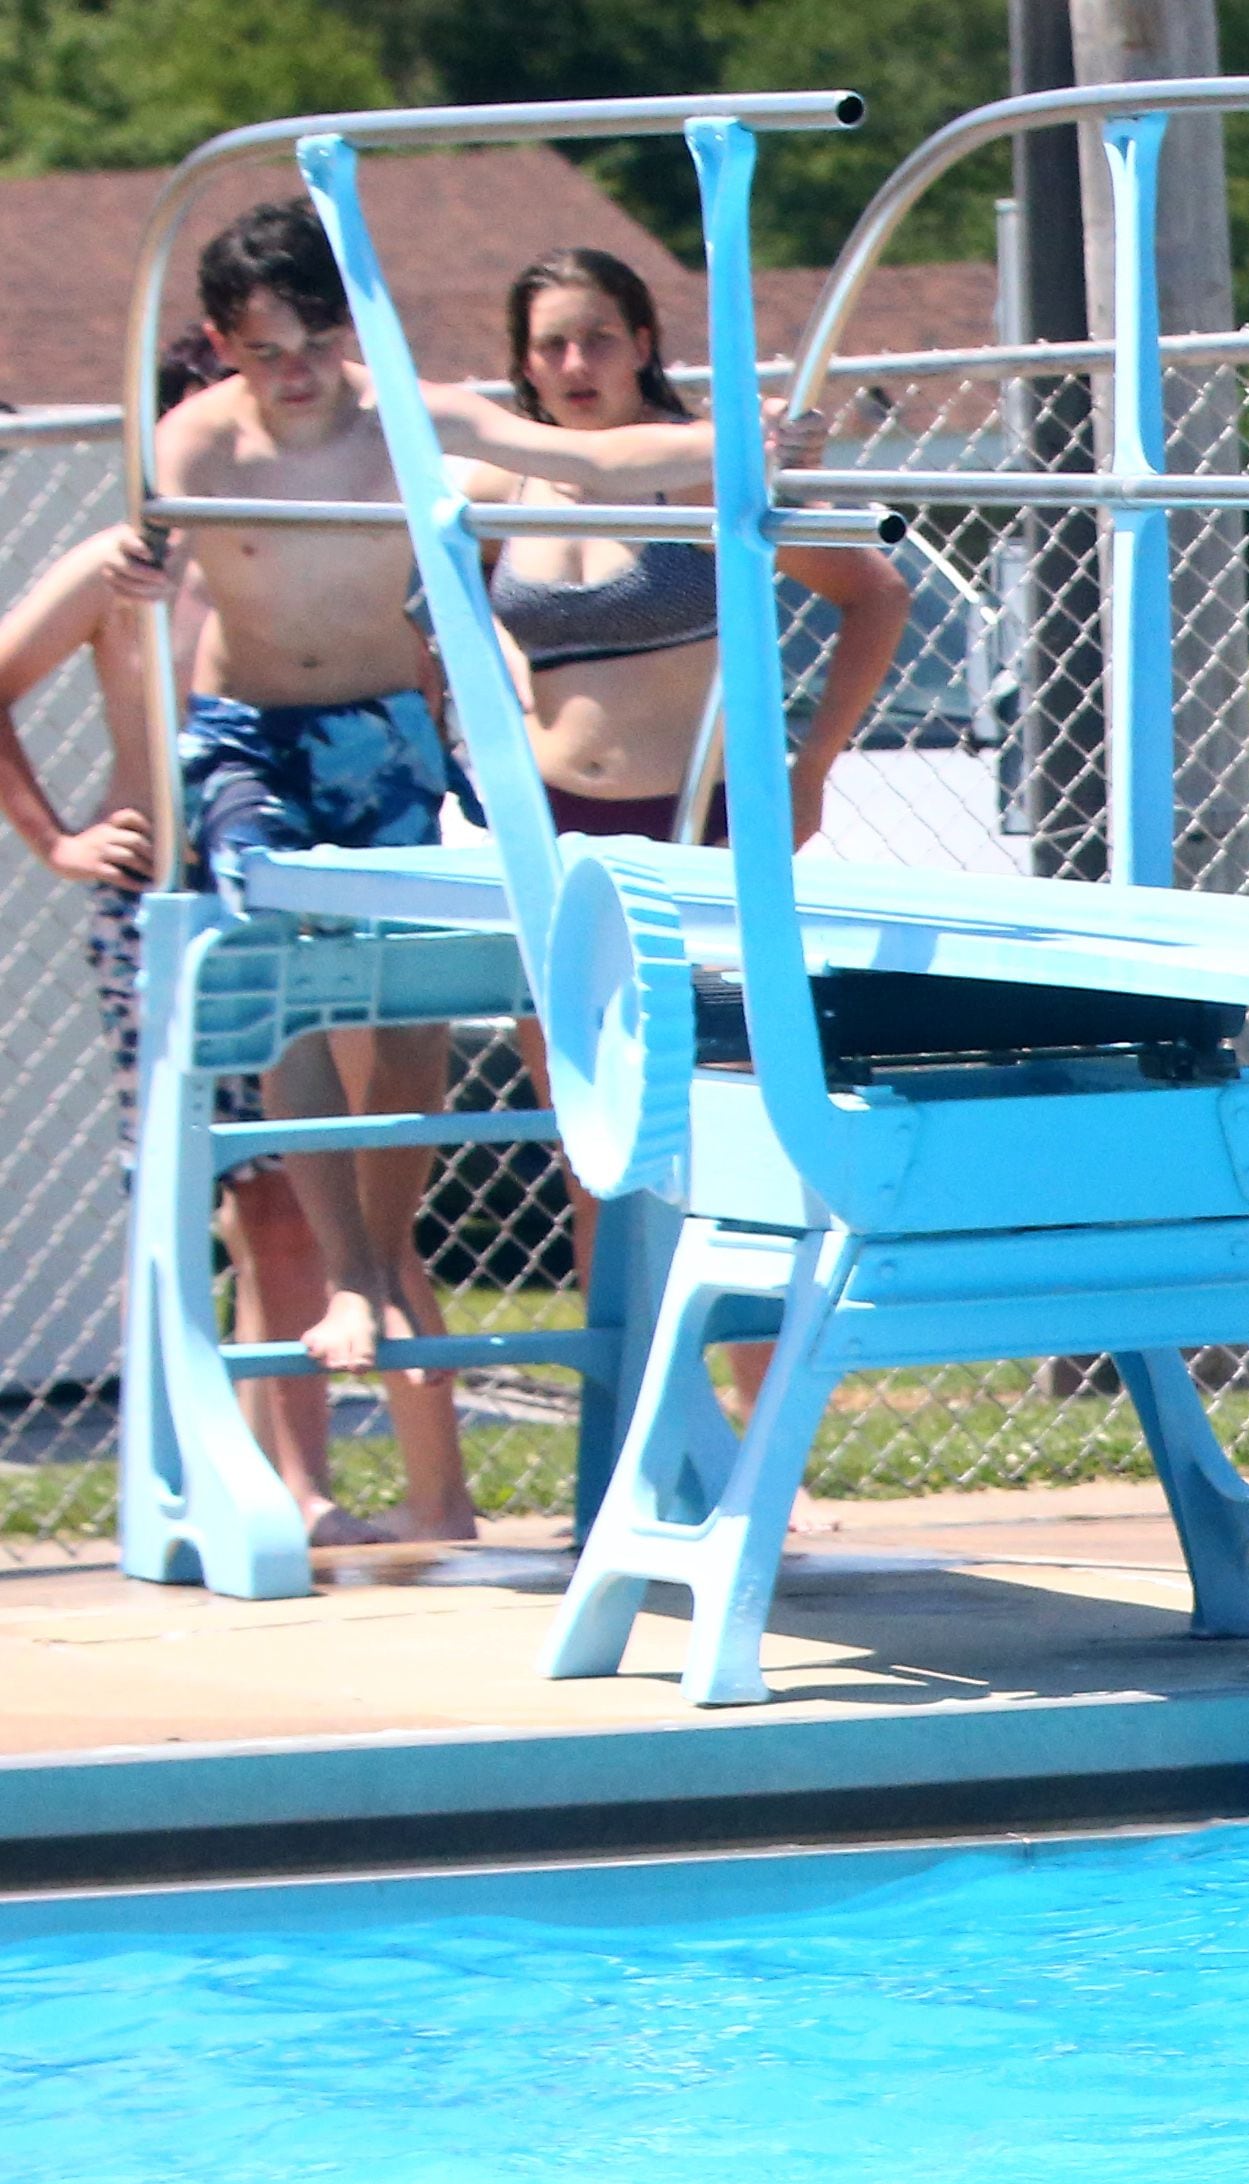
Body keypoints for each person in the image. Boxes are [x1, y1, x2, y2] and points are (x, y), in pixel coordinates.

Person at [134, 200, 810, 1526]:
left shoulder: (406, 413)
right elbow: (139, 563)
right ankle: (347, 1268)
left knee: (408, 995)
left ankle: (382, 1255)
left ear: (352, 330)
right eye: (266, 350)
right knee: (284, 953)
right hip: (248, 735)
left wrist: (747, 435)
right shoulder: (193, 440)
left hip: (383, 731)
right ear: (222, 346)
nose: (297, 374)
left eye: (319, 341)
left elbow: (572, 453)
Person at [467, 247, 903, 1394]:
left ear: (645, 343)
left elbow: (873, 596)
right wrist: (492, 726)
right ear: (522, 359)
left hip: (694, 824)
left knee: (732, 1133)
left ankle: (766, 1433)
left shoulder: (701, 474)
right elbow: (442, 617)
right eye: (551, 343)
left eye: (598, 337)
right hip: (558, 838)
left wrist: (814, 760)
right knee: (595, 1150)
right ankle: (640, 1428)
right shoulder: (502, 487)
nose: (574, 363)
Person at [0, 328, 389, 1542]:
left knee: (287, 1200)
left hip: (272, 901)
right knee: (173, 1195)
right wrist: (57, 839)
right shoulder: (124, 567)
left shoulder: (293, 564)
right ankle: (165, 1471)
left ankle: (301, 1487)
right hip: (158, 904)